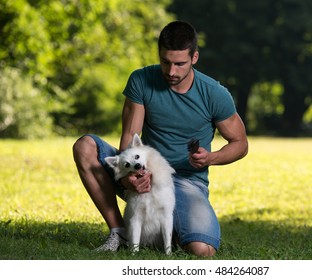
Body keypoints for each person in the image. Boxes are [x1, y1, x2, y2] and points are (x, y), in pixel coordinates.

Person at [72, 20, 248, 257]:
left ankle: (169, 229)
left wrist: (211, 158)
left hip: (186, 181)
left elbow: (240, 144)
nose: (171, 71)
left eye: (179, 64)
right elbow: (129, 136)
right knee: (85, 146)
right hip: (143, 171)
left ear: (194, 57)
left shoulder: (214, 94)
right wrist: (128, 177)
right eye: (165, 62)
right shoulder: (141, 80)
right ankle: (119, 231)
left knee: (202, 250)